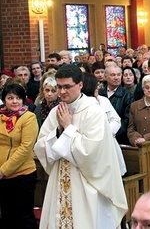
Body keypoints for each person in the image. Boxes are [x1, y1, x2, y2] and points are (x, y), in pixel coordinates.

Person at [34, 65, 127, 228]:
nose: (62, 92)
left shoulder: (94, 112)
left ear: (80, 85)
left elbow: (90, 152)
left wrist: (69, 128)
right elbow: (40, 146)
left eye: (67, 87)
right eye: (59, 87)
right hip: (60, 179)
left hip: (87, 183)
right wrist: (58, 130)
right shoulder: (56, 111)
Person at [0, 84, 39, 229]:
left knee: (23, 217)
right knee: (7, 216)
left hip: (22, 174)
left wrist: (3, 170)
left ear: (23, 99)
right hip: (3, 177)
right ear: (4, 99)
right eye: (10, 98)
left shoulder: (29, 117)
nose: (15, 101)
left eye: (18, 98)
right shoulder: (1, 116)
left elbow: (25, 148)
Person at [81, 72, 126, 176]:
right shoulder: (82, 105)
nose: (97, 88)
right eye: (94, 86)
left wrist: (107, 132)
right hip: (92, 147)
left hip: (109, 141)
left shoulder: (104, 100)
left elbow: (116, 119)